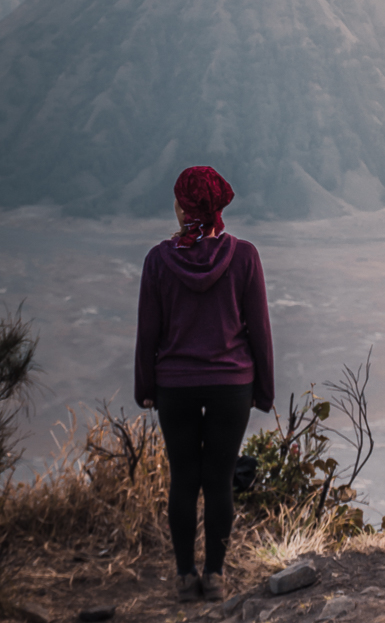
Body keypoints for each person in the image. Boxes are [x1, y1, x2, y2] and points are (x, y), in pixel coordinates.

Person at [134, 165, 274, 603]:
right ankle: (214, 576)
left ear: (181, 208)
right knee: (218, 480)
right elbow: (259, 332)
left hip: (175, 385)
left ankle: (183, 577)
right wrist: (264, 390)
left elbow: (148, 333)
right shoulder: (245, 256)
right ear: (218, 208)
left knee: (183, 479)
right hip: (231, 383)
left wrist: (146, 386)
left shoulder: (158, 260)